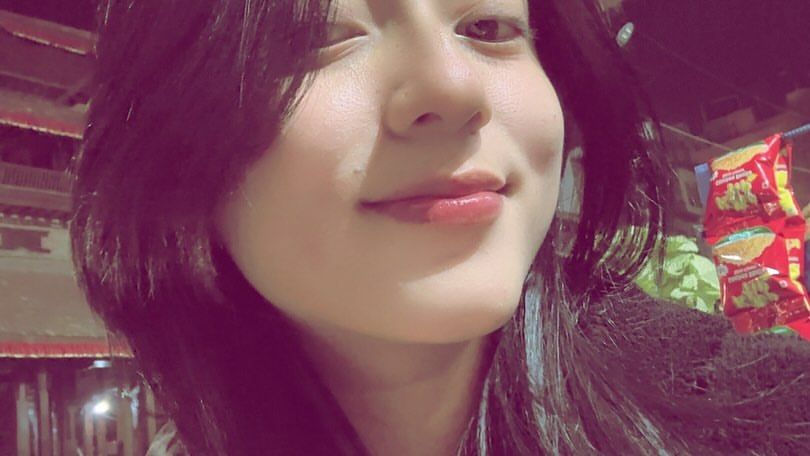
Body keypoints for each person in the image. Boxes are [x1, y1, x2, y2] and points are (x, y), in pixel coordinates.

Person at [69, 0, 810, 454]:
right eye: (315, 35)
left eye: (489, 27)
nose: (453, 87)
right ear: (170, 145)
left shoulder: (751, 415)